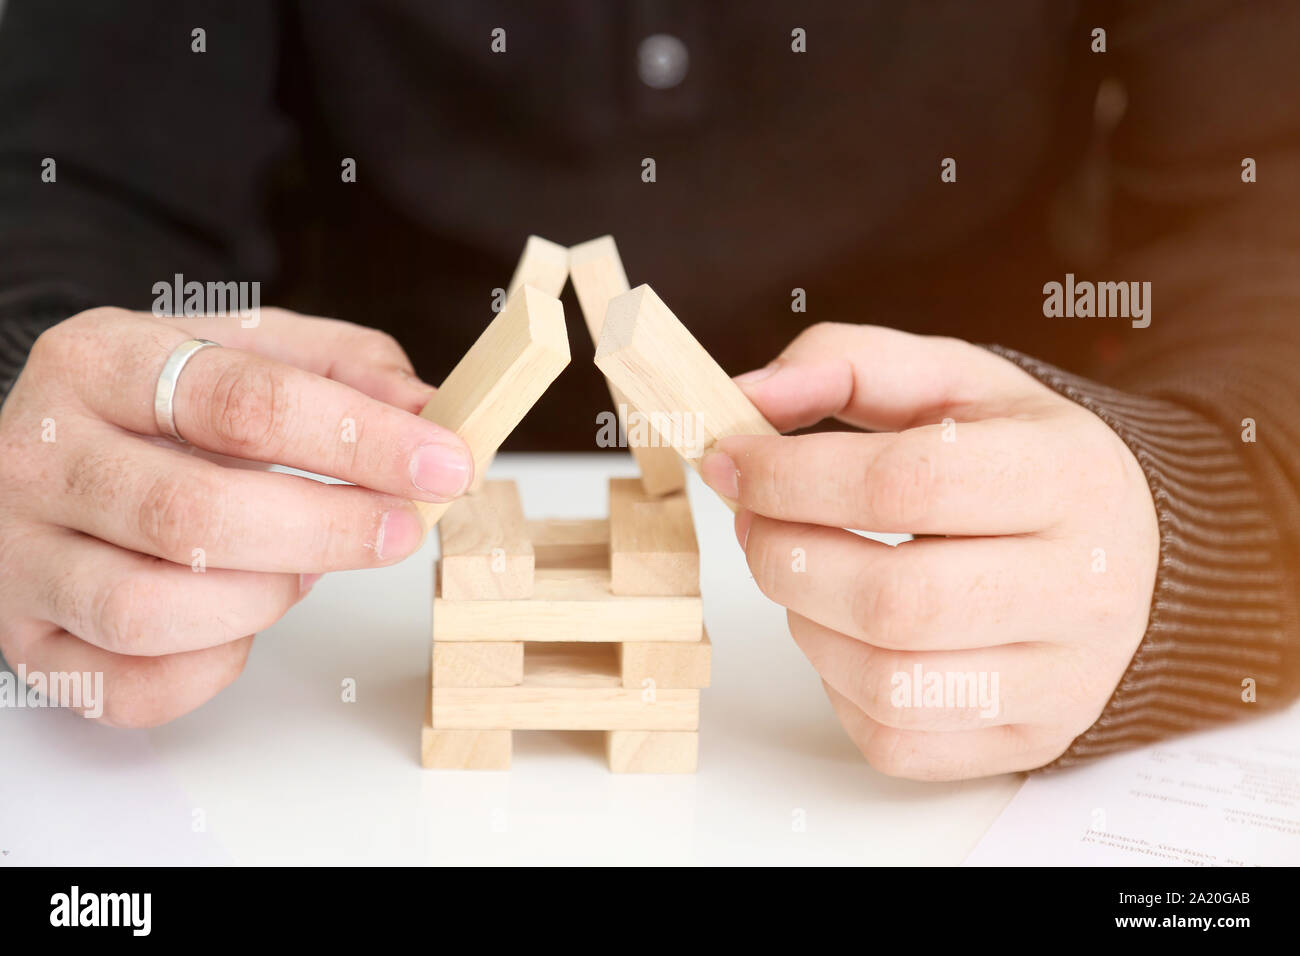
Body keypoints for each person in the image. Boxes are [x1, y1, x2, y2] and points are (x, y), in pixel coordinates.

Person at [0, 1, 1296, 780]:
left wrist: (1198, 511)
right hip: (320, 586)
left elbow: (1266, 195)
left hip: (994, 558)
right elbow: (70, 178)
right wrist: (45, 411)